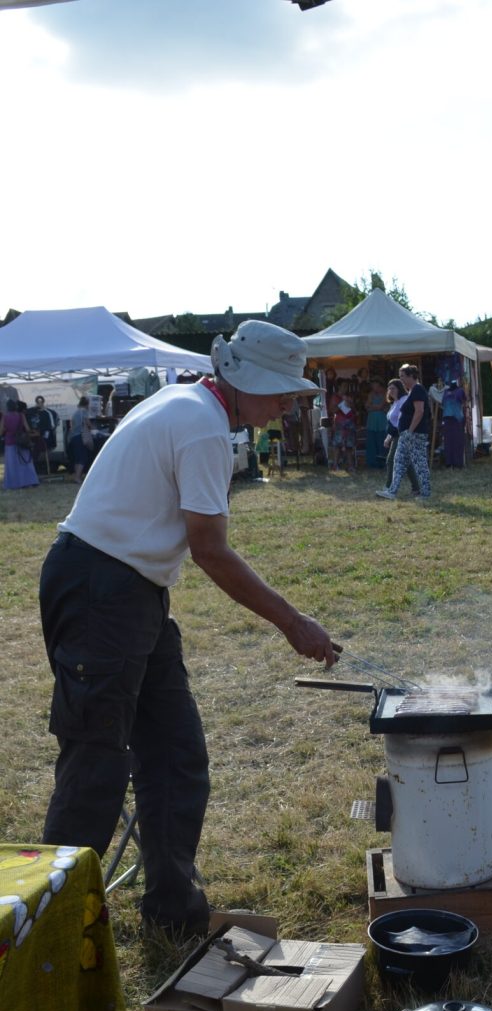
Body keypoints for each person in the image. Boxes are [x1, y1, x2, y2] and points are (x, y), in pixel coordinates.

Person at [39, 320, 337, 940]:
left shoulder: (188, 403)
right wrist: (292, 622)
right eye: (281, 392)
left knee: (175, 752)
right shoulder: (202, 425)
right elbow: (211, 551)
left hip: (130, 590)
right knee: (96, 764)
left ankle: (173, 913)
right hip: (102, 588)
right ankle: (52, 940)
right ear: (242, 379)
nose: (288, 404)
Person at [376, 364, 432, 500]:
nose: (401, 380)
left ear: (411, 376)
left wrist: (410, 431)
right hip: (406, 434)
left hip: (414, 434)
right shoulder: (413, 390)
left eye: (402, 376)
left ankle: (425, 493)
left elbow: (420, 411)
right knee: (398, 461)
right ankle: (392, 491)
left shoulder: (418, 389)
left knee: (420, 463)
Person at [380, 378, 421, 496]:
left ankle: (389, 488)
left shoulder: (404, 400)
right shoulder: (395, 403)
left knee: (391, 460)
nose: (390, 390)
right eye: (389, 388)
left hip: (404, 435)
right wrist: (389, 437)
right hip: (396, 435)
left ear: (399, 389)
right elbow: (393, 424)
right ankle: (417, 488)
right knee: (407, 463)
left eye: (393, 388)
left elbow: (403, 421)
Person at [3, 398, 39, 490]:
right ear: (16, 407)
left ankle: (14, 484)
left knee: (12, 464)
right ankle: (29, 482)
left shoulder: (5, 417)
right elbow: (27, 429)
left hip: (10, 441)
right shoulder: (21, 415)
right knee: (25, 462)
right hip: (21, 441)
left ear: (7, 408)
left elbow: (1, 430)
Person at [441, 380, 467, 468]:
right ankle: (449, 462)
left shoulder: (460, 391)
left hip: (458, 419)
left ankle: (458, 462)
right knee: (448, 441)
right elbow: (442, 404)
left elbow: (464, 402)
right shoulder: (445, 392)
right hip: (447, 418)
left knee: (458, 441)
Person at [67, 395, 93, 482]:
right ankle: (78, 477)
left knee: (77, 458)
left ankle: (76, 476)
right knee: (83, 458)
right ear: (87, 404)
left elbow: (72, 425)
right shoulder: (84, 411)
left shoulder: (75, 412)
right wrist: (92, 428)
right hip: (80, 436)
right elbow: (88, 423)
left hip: (73, 436)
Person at [365, 377, 388, 470]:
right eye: (373, 386)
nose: (374, 389)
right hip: (372, 422)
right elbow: (366, 406)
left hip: (382, 422)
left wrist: (372, 407)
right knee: (372, 442)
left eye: (376, 386)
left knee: (382, 442)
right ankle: (372, 462)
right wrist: (376, 407)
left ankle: (382, 463)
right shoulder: (370, 394)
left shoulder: (386, 394)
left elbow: (380, 406)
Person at [332, 392, 358, 470]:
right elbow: (333, 410)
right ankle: (335, 465)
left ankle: (350, 466)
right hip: (340, 425)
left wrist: (350, 403)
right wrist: (340, 405)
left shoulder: (351, 400)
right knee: (337, 445)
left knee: (349, 446)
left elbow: (355, 411)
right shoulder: (335, 398)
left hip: (350, 425)